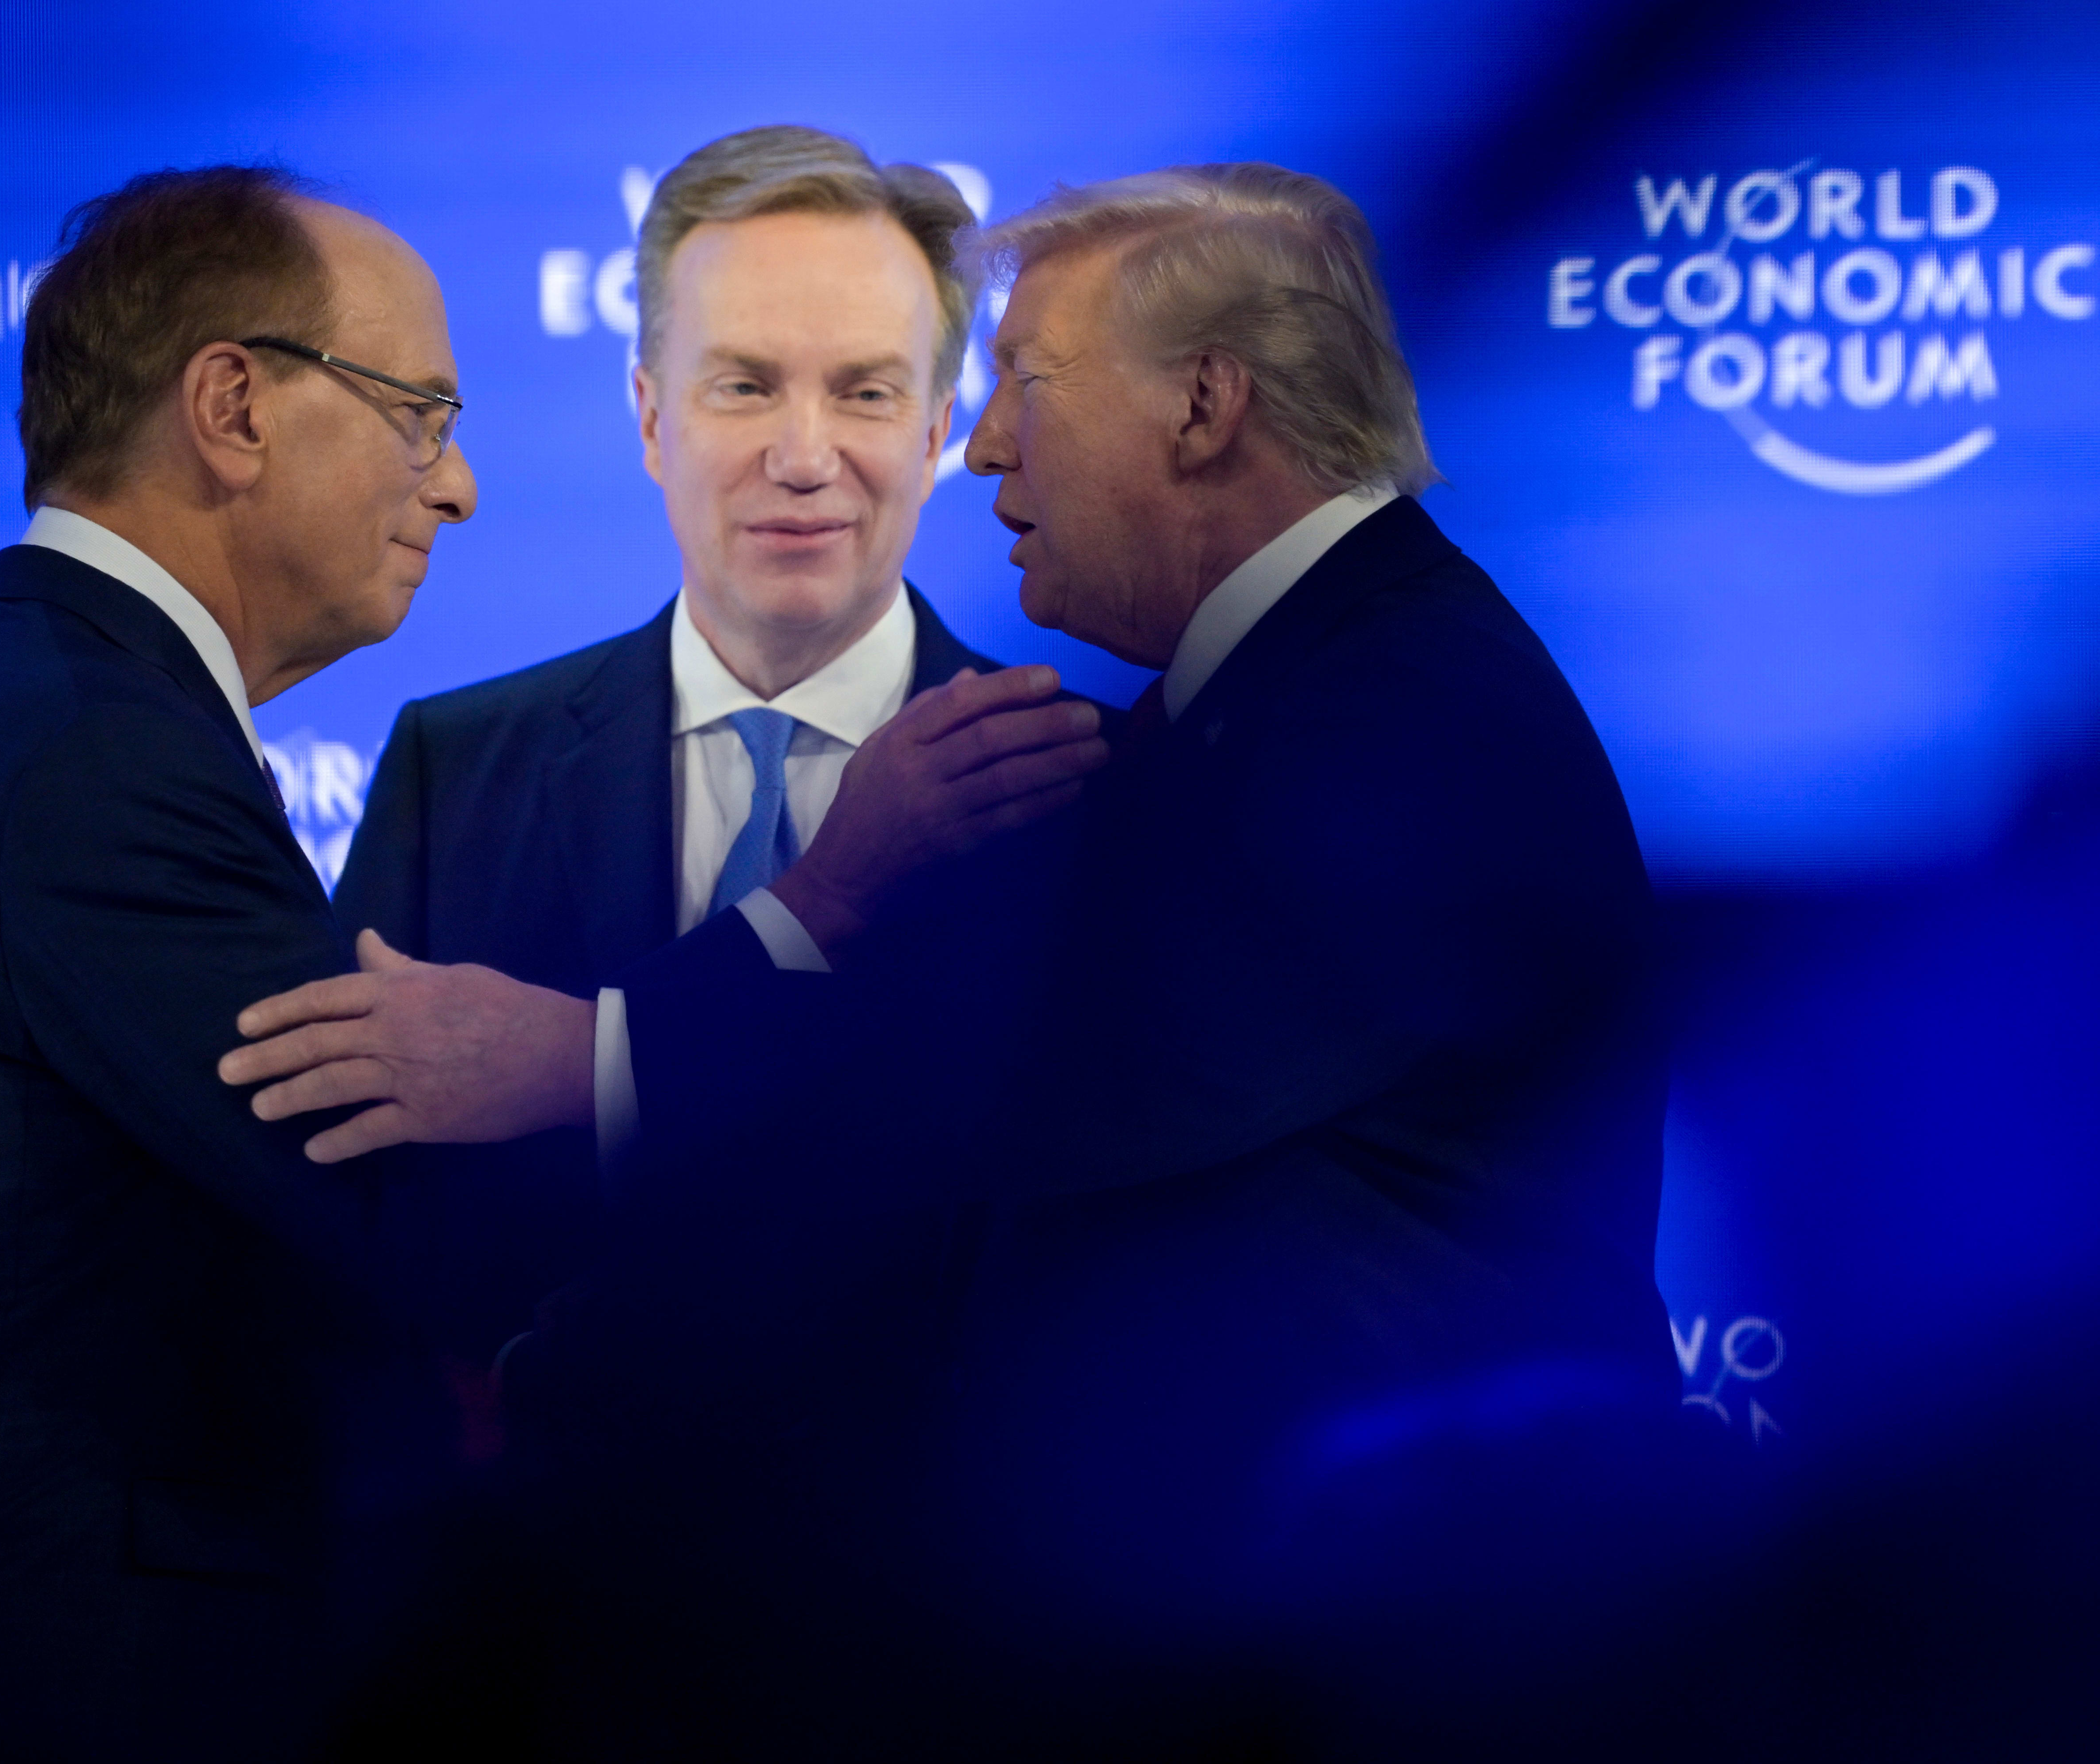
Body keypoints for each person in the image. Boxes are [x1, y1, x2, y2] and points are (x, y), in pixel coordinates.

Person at [224, 161, 1678, 1751]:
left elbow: (997, 1095)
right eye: (742, 384)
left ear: (1204, 404)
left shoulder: (1382, 717)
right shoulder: (1249, 703)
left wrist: (594, 1050)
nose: (984, 445)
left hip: (1408, 1639)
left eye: (1023, 383)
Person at [308, 122, 1107, 1749]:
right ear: (648, 415)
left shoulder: (1081, 795)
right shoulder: (460, 768)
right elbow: (351, 1237)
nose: (804, 456)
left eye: (865, 392)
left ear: (941, 428)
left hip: (951, 1682)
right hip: (526, 1673)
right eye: (745, 385)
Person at [0, 165, 476, 1762]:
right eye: (421, 414)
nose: (460, 485)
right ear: (234, 408)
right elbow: (403, 1219)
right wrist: (727, 1003)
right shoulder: (92, 753)